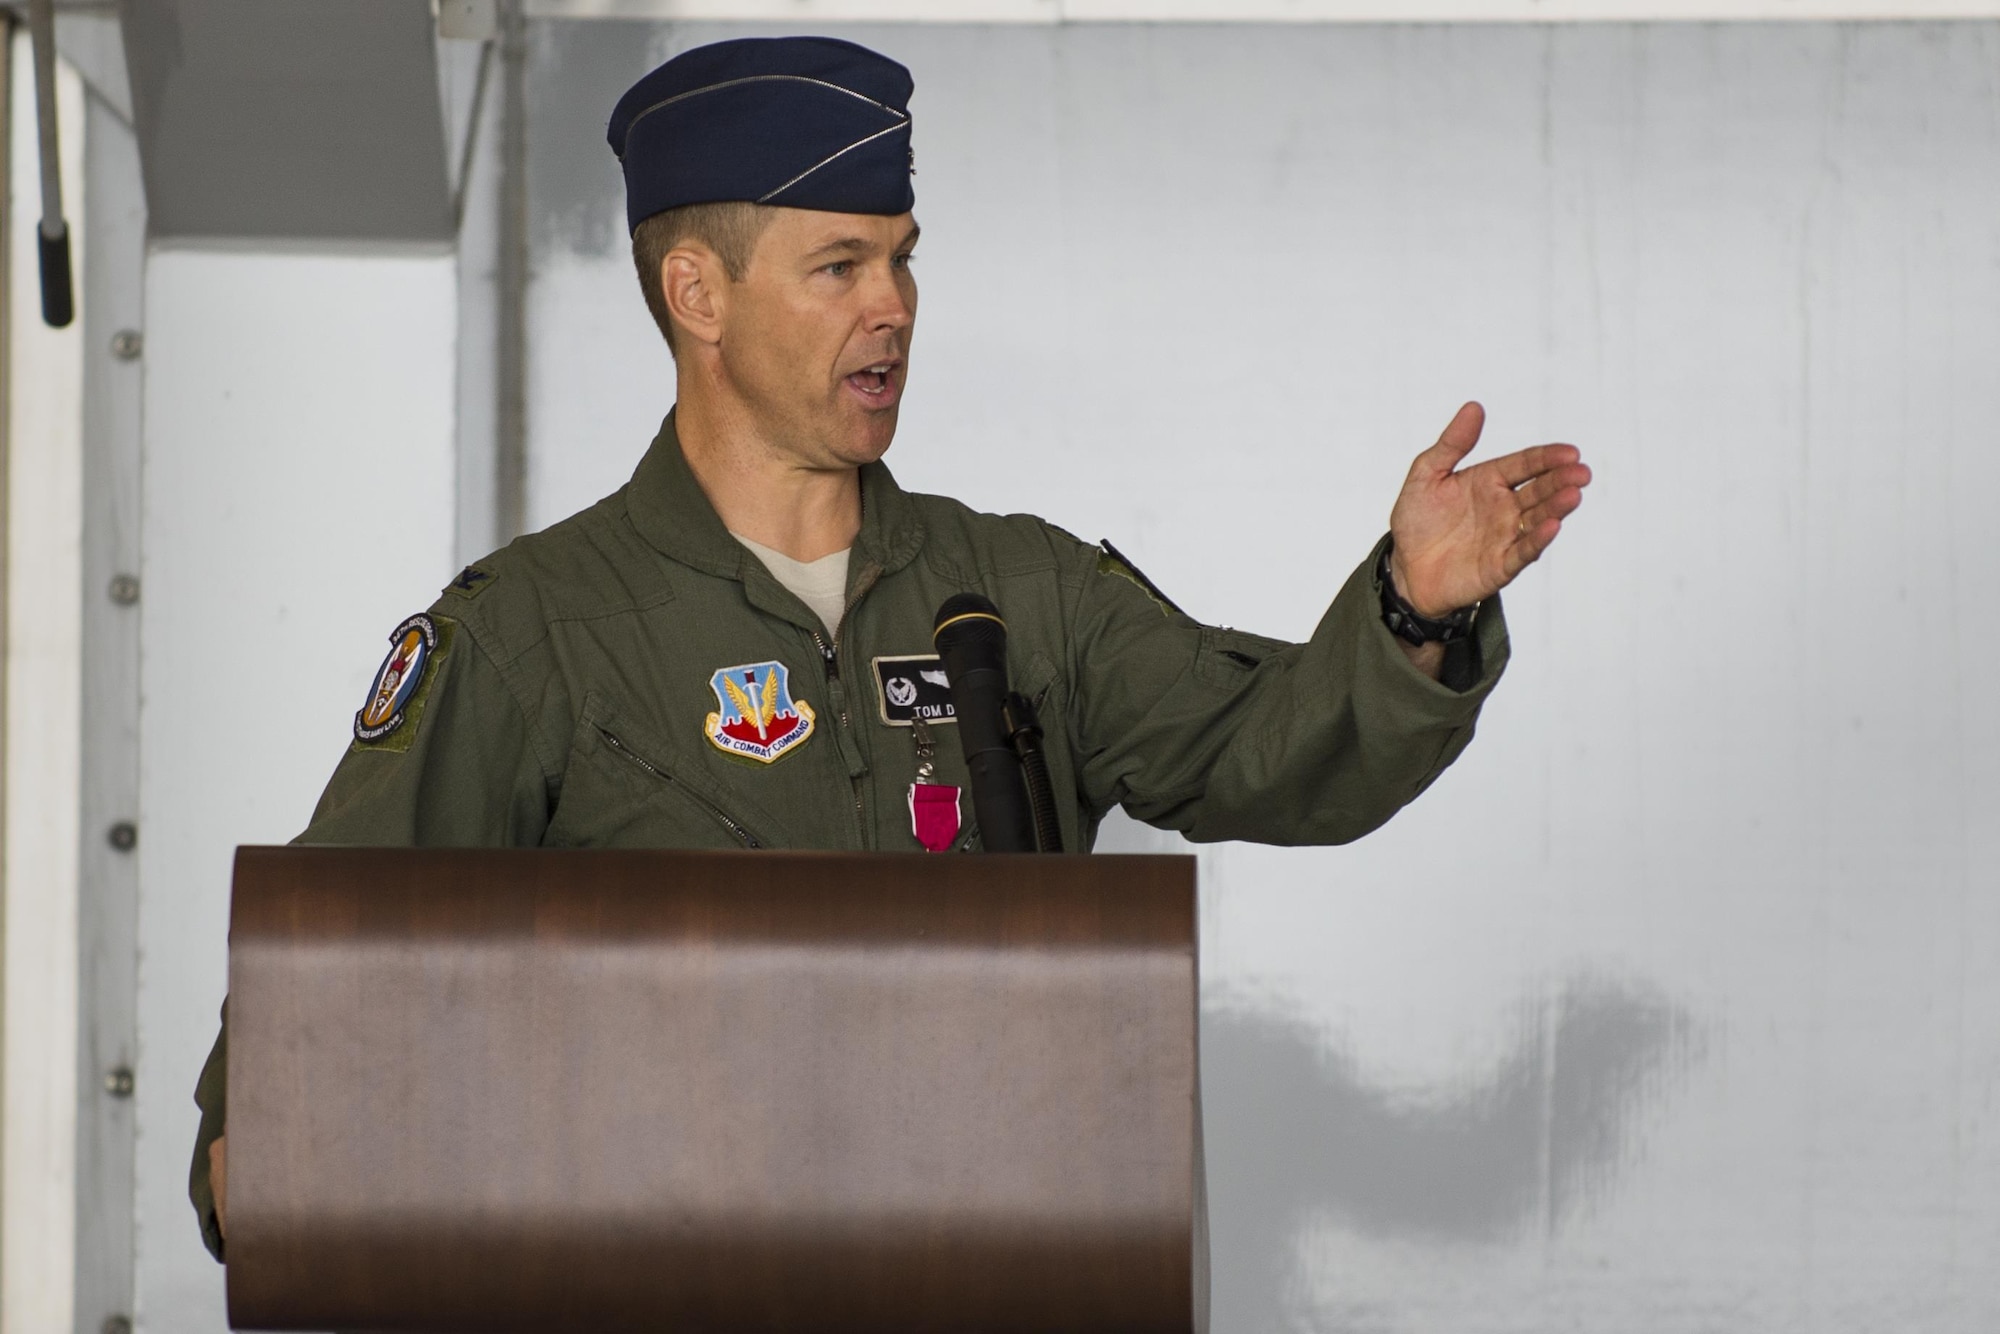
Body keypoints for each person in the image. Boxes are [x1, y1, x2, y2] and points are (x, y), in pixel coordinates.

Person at [190, 34, 1590, 1259]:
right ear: (700, 296)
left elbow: (1278, 756)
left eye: (905, 261)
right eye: (840, 265)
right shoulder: (532, 635)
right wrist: (250, 1144)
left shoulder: (1019, 592)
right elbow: (328, 992)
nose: (896, 307)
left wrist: (1414, 604)